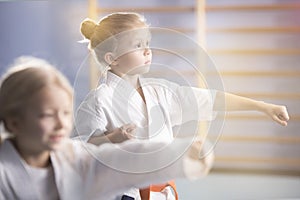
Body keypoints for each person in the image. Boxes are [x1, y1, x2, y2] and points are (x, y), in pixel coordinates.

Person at [74, 12, 290, 200]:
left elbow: (211, 99)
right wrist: (113, 138)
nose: (147, 51)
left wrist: (262, 106)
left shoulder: (160, 92)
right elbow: (80, 151)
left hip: (164, 190)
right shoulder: (98, 101)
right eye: (137, 46)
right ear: (113, 59)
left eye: (147, 43)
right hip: (124, 194)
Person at [0, 56, 215, 200]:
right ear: (14, 122)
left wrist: (179, 155)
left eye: (65, 113)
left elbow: (119, 159)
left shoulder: (71, 155)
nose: (61, 124)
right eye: (47, 115)